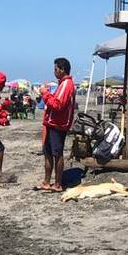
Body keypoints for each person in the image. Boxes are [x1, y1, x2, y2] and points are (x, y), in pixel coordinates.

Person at [37, 57, 76, 192]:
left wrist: (45, 94)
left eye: (55, 69)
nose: (54, 72)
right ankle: (47, 181)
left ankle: (58, 184)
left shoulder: (67, 84)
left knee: (57, 154)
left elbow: (58, 105)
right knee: (48, 153)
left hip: (58, 125)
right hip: (52, 123)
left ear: (62, 69)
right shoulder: (62, 84)